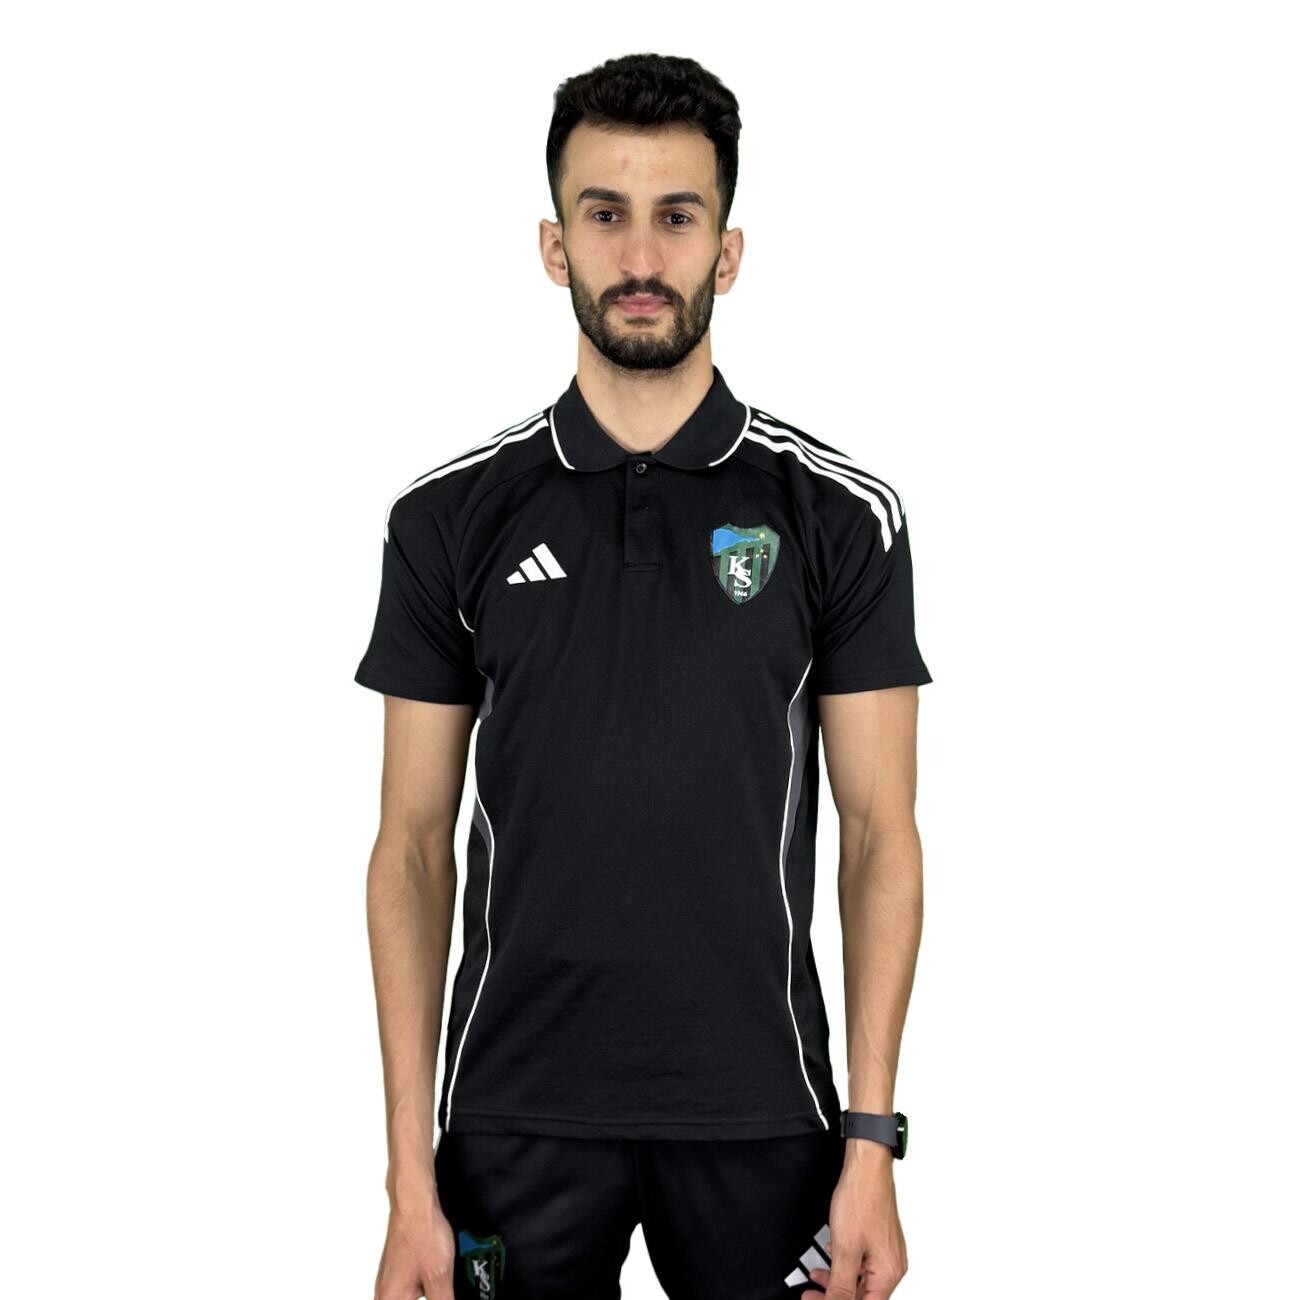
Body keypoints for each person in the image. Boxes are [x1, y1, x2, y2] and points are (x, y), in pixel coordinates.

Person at [356, 52, 932, 1300]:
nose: (638, 255)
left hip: (765, 1114)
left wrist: (871, 1145)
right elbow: (409, 848)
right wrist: (408, 1179)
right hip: (512, 1115)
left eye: (676, 217)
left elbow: (879, 835)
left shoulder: (839, 516)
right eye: (604, 214)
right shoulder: (447, 520)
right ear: (552, 245)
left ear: (727, 252)